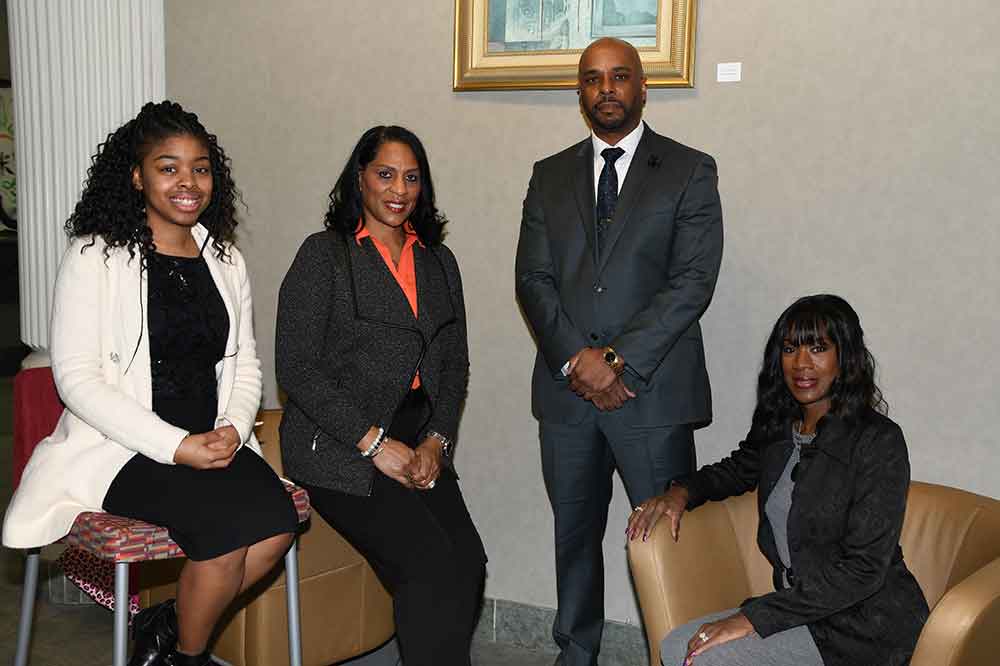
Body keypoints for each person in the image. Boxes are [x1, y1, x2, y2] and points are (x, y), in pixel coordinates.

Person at [1, 101, 298, 666]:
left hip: (210, 440)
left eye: (201, 167)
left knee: (278, 526)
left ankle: (167, 625)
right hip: (125, 448)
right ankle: (186, 657)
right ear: (137, 176)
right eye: (169, 167)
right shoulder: (94, 257)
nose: (188, 181)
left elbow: (246, 362)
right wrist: (176, 445)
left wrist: (232, 429)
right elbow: (77, 381)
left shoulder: (226, 260)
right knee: (228, 533)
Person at [514, 37, 723, 665]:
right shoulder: (548, 175)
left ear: (642, 87)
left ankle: (679, 656)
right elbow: (533, 279)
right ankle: (575, 654)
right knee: (573, 539)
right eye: (592, 79)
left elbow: (693, 281)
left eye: (620, 77)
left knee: (664, 545)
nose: (606, 89)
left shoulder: (690, 169)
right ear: (579, 92)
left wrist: (618, 362)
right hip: (567, 396)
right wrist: (579, 359)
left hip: (651, 396)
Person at [275, 125, 486, 666]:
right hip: (339, 444)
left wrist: (439, 439)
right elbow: (296, 367)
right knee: (428, 564)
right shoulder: (325, 255)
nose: (399, 190)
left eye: (411, 177)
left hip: (420, 438)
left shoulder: (440, 262)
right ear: (360, 179)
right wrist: (374, 444)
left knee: (468, 562)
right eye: (385, 174)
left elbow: (454, 362)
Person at [629, 295, 929, 666]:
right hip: (800, 611)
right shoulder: (778, 425)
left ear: (845, 357)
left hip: (865, 628)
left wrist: (753, 618)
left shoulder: (878, 441)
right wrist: (682, 491)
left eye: (818, 347)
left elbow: (864, 569)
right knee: (679, 646)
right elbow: (739, 469)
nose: (802, 363)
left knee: (702, 658)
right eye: (790, 348)